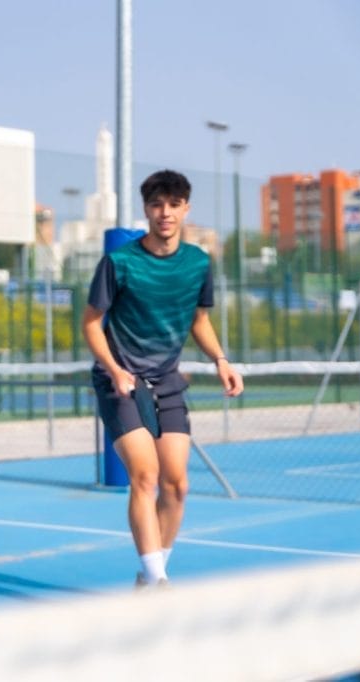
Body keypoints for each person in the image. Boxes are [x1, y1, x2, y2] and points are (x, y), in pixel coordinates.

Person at [82, 169, 243, 588]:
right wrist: (116, 370)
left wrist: (221, 360)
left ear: (186, 208)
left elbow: (199, 320)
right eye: (156, 205)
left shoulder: (198, 263)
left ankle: (148, 574)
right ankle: (158, 582)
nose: (165, 213)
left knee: (177, 486)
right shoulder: (118, 262)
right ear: (147, 210)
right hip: (121, 382)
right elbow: (91, 323)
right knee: (145, 476)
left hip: (167, 381)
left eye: (173, 205)